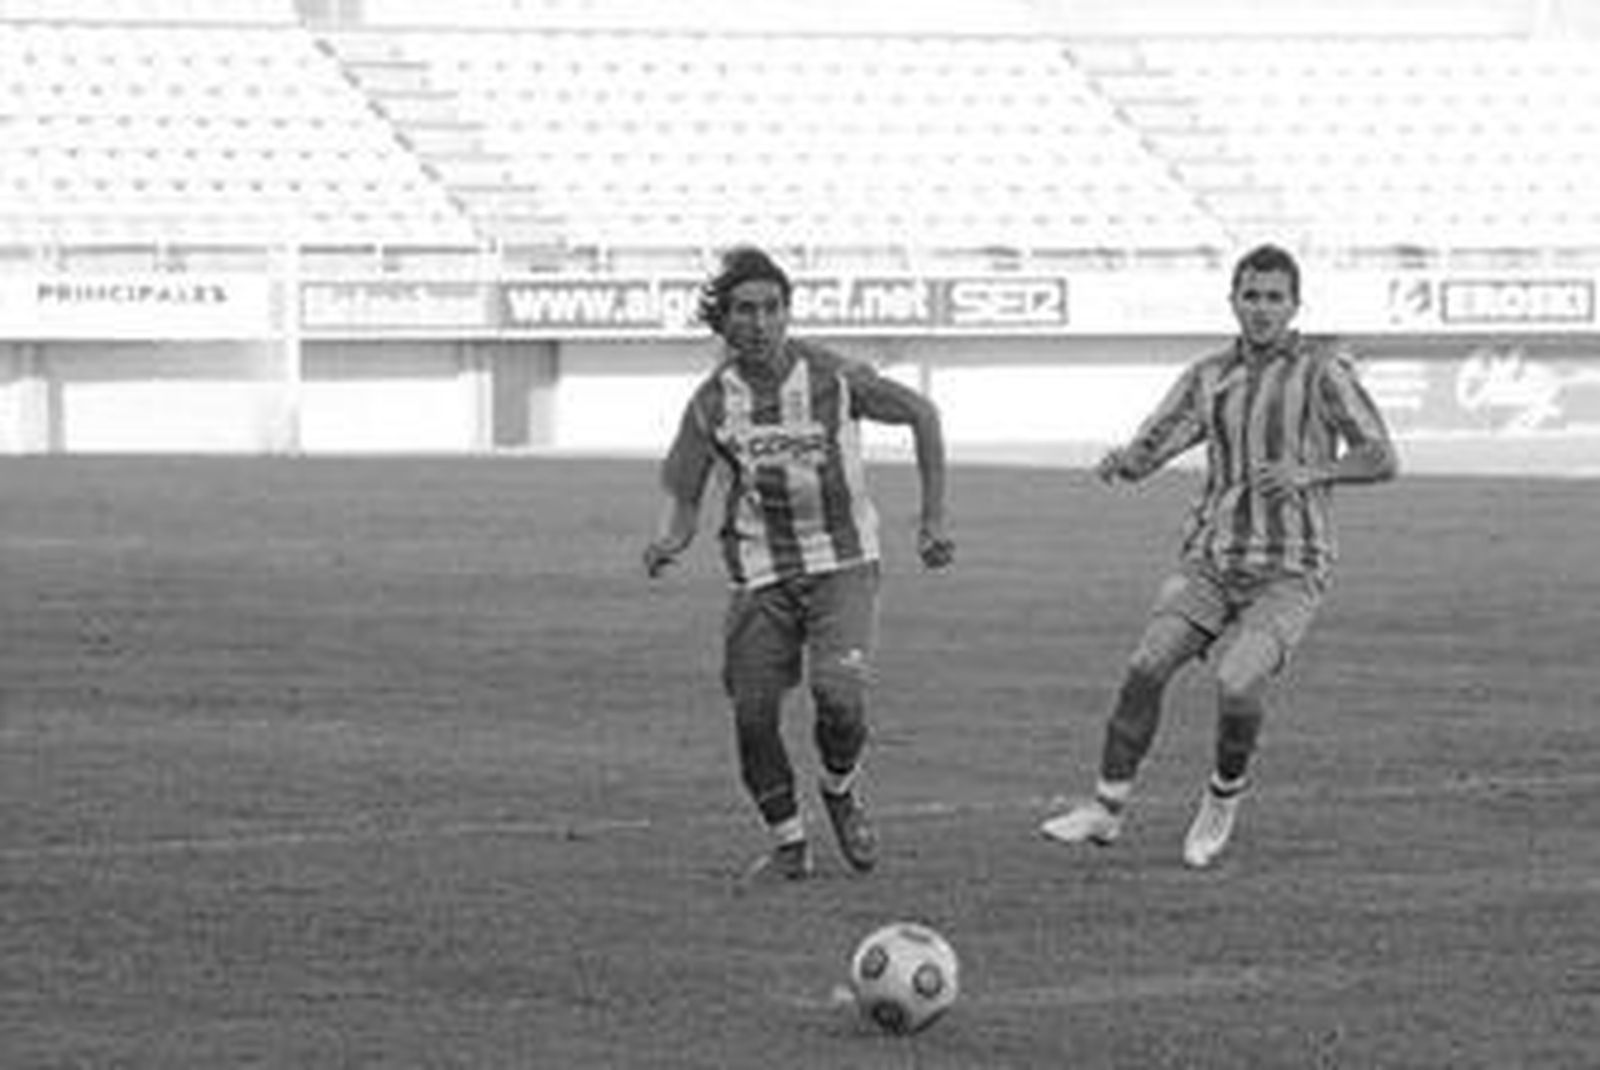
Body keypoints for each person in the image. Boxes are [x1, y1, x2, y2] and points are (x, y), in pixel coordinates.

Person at [1039, 243, 1398, 868]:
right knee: (1146, 665)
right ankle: (1105, 809)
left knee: (1237, 683)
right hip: (1212, 556)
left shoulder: (1322, 372)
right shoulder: (1209, 375)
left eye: (1274, 297)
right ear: (1233, 300)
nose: (1262, 308)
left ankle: (1222, 797)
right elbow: (1160, 438)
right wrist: (1125, 463)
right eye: (1251, 296)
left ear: (1295, 306)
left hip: (1291, 566)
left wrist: (1311, 473)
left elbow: (1382, 457)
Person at [644, 246, 955, 885]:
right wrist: (672, 539)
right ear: (723, 322)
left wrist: (933, 519)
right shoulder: (710, 404)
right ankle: (789, 844)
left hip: (843, 561)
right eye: (745, 311)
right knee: (754, 715)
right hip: (760, 573)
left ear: (787, 314)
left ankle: (840, 789)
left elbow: (922, 415)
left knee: (839, 700)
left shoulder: (832, 376)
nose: (760, 322)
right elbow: (685, 487)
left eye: (772, 308)